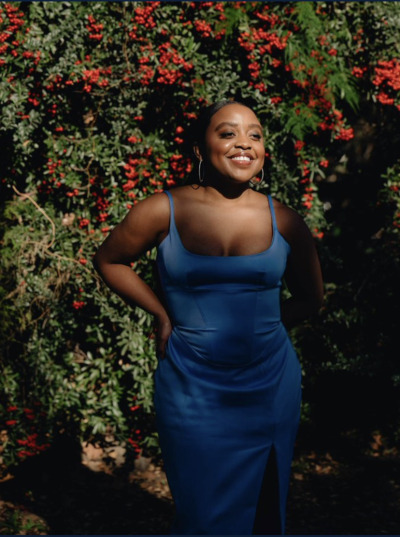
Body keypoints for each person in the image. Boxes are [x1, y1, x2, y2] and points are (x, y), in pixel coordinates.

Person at [93, 99, 324, 535]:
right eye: (228, 133)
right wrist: (161, 313)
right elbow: (110, 260)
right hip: (190, 385)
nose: (244, 143)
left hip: (270, 384)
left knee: (264, 512)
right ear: (200, 149)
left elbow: (312, 299)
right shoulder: (162, 209)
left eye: (255, 135)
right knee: (202, 515)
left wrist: (261, 331)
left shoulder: (286, 220)